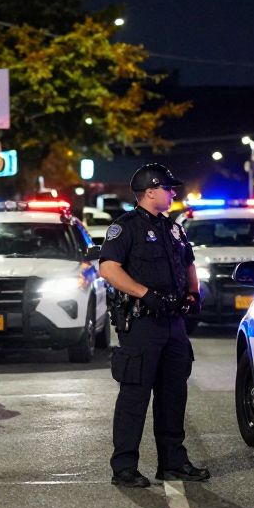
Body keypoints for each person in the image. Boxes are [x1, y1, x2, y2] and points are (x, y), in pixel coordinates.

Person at [99, 163, 210, 488]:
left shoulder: (173, 228)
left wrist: (193, 293)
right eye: (168, 188)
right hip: (142, 324)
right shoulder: (125, 228)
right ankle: (124, 467)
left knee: (174, 394)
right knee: (134, 397)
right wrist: (145, 294)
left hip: (174, 323)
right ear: (150, 192)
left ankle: (172, 462)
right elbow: (108, 268)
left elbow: (188, 263)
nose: (173, 193)